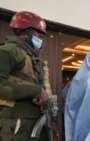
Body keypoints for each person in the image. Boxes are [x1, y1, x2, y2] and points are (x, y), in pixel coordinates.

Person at [0, 11, 49, 141]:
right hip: (16, 121)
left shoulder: (31, 56)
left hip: (35, 120)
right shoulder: (8, 51)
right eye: (39, 34)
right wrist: (36, 91)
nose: (41, 39)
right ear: (27, 32)